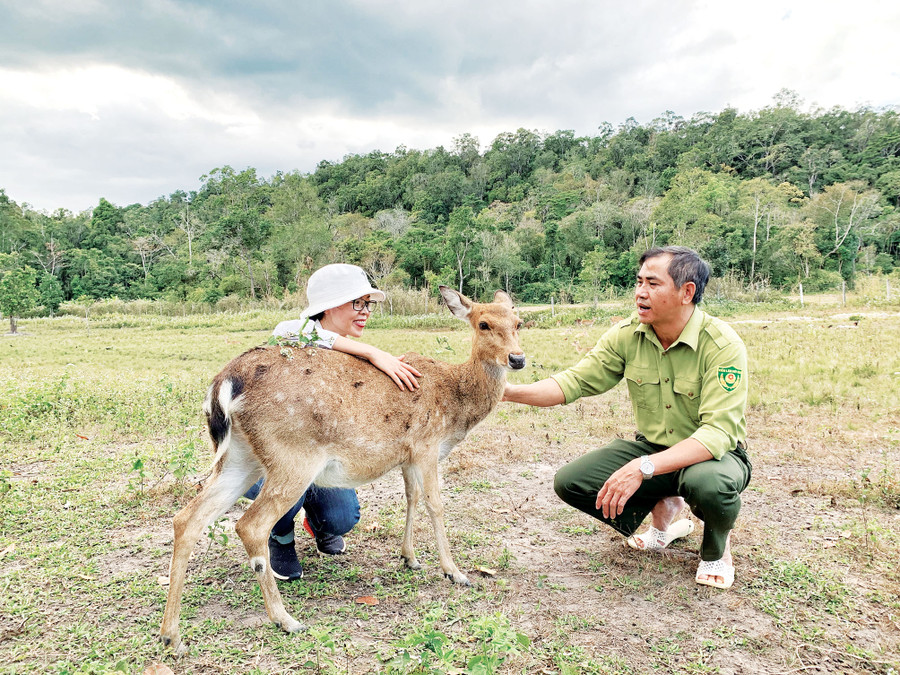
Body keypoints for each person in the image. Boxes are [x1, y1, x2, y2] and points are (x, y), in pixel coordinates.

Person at [503, 246, 751, 589]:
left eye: (653, 283)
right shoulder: (628, 334)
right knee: (572, 482)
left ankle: (718, 550)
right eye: (638, 282)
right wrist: (505, 392)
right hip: (653, 448)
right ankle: (665, 512)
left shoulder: (722, 345)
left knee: (709, 486)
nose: (640, 292)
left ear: (687, 292)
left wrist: (643, 467)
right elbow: (573, 382)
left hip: (712, 456)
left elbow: (717, 433)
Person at [246, 263, 422, 581]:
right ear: (328, 305)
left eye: (368, 304)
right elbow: (291, 329)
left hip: (323, 452)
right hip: (279, 451)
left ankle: (318, 524)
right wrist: (372, 352)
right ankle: (279, 535)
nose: (365, 311)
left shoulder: (351, 353)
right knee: (287, 491)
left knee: (343, 518)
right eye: (357, 303)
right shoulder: (292, 334)